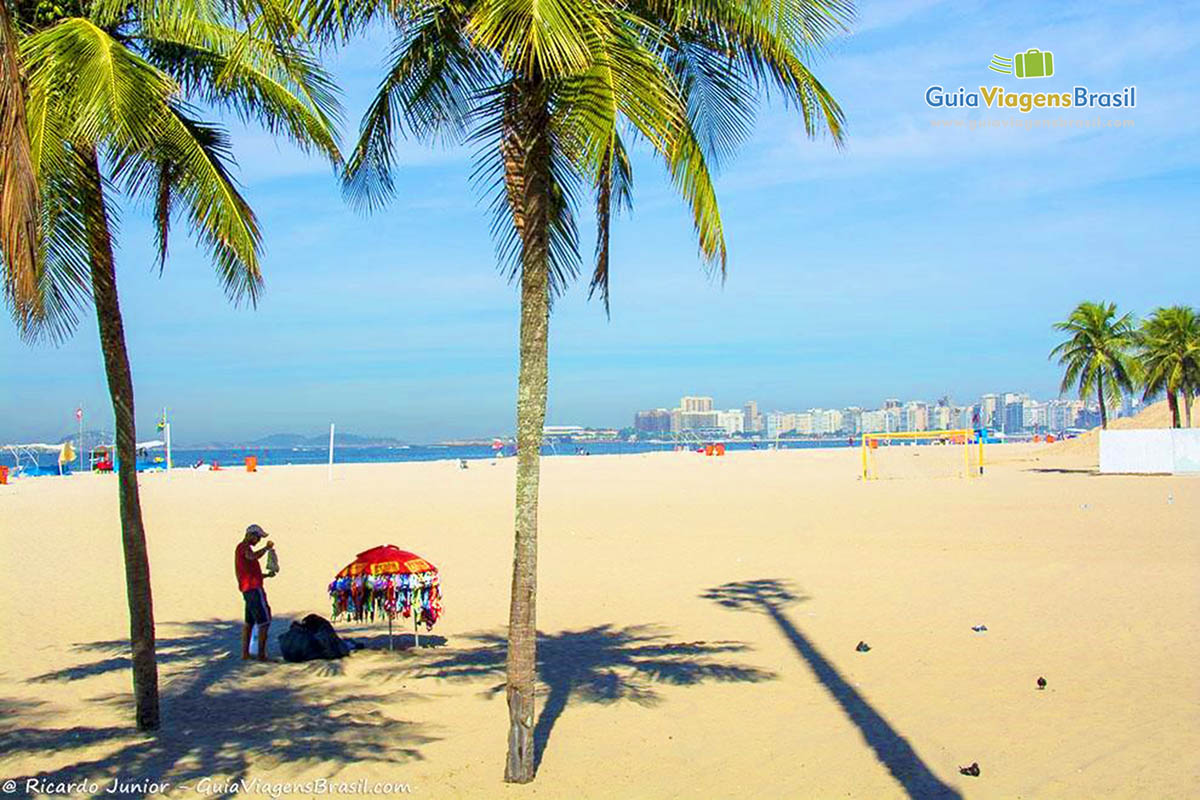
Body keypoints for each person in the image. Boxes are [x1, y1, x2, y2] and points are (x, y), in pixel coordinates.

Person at [235, 524, 274, 661]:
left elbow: (249, 570)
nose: (258, 540)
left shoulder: (243, 548)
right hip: (253, 589)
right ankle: (261, 655)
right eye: (257, 537)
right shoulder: (244, 547)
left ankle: (245, 654)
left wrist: (265, 575)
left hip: (248, 588)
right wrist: (266, 549)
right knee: (264, 621)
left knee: (249, 622)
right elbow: (252, 557)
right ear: (250, 535)